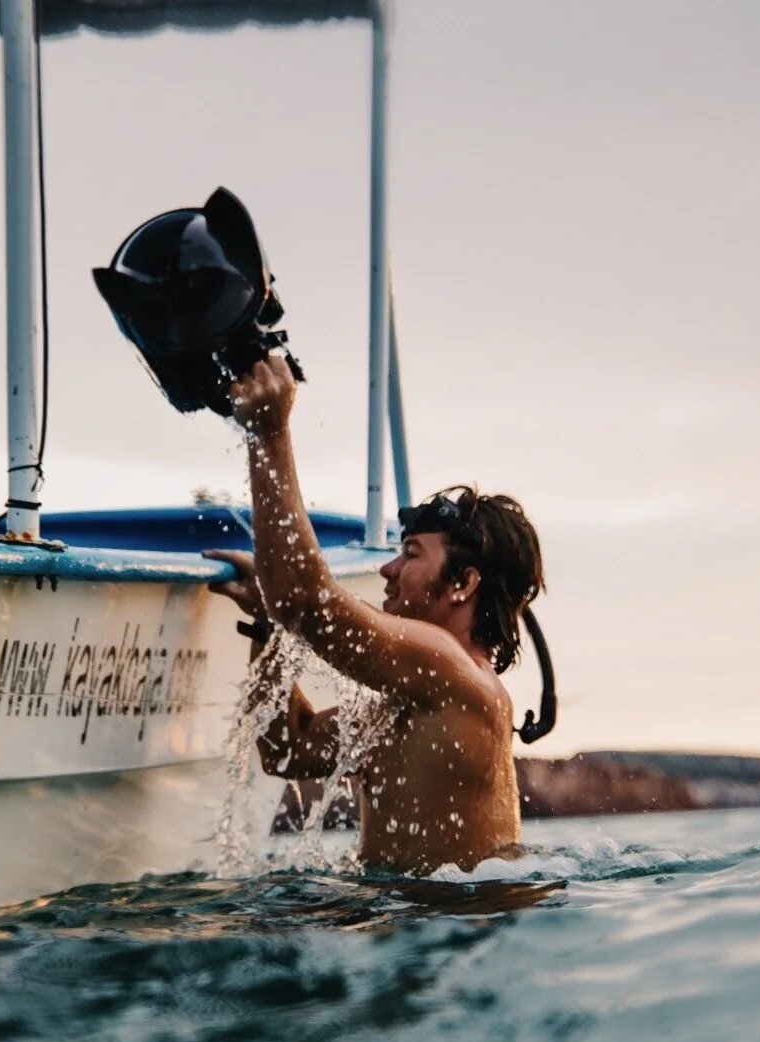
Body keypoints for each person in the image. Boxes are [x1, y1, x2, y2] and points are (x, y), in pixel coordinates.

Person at [203, 352, 546, 875]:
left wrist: (270, 434)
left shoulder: (454, 671)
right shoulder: (416, 697)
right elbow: (288, 749)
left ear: (463, 584)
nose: (387, 569)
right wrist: (267, 626)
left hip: (437, 920)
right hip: (413, 914)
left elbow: (302, 599)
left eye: (410, 554)